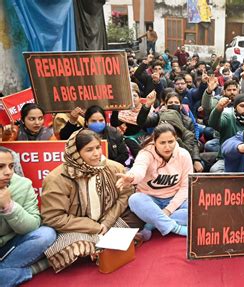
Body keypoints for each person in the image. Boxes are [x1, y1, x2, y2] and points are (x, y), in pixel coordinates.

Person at [41, 129, 142, 272]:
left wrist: (106, 223)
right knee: (74, 248)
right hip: (78, 229)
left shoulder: (113, 167)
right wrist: (95, 227)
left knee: (138, 213)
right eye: (89, 150)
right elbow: (54, 217)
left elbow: (124, 195)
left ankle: (101, 246)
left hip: (109, 222)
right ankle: (102, 246)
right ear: (75, 152)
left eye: (97, 147)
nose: (96, 153)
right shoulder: (57, 179)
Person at [116, 124, 193, 240]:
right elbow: (139, 168)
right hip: (151, 200)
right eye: (162, 143)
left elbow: (185, 187)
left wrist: (168, 210)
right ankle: (175, 228)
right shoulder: (146, 154)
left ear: (176, 139)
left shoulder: (183, 155)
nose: (167, 147)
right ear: (154, 141)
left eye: (170, 142)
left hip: (175, 198)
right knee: (134, 200)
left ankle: (151, 224)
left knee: (196, 210)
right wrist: (131, 177)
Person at [0, 147, 56, 286]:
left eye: (11, 166)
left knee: (47, 233)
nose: (8, 172)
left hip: (12, 244)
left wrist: (9, 206)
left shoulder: (23, 185)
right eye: (1, 167)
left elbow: (33, 224)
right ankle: (32, 269)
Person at [59, 105, 129, 166]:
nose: (98, 123)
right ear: (86, 122)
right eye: (94, 121)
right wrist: (72, 121)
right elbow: (64, 137)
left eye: (101, 120)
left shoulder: (114, 133)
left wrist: (107, 165)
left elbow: (124, 154)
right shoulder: (80, 134)